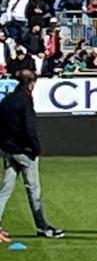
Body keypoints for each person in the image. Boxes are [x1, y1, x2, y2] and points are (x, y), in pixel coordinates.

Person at [0, 72, 64, 241]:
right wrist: (35, 149)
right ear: (32, 83)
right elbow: (30, 128)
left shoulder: (7, 100)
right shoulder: (25, 100)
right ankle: (42, 226)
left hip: (8, 150)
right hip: (23, 151)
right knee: (33, 189)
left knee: (5, 189)